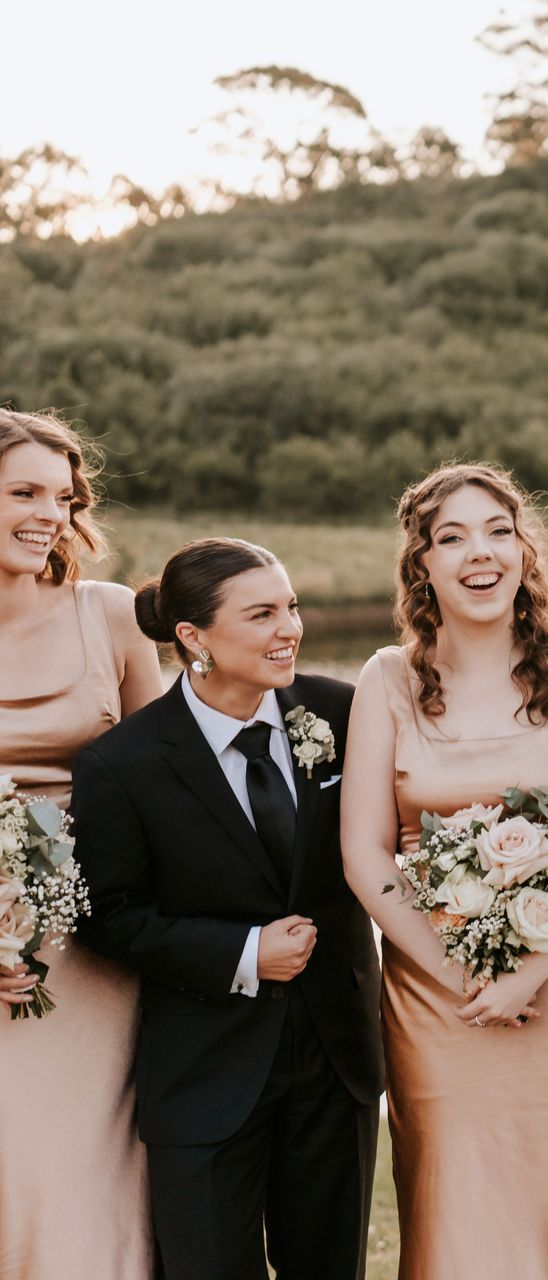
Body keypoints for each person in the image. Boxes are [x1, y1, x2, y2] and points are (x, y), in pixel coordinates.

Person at [340, 463, 548, 1279]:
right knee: (457, 1191)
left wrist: (528, 972)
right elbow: (364, 853)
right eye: (450, 538)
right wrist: (452, 966)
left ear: (524, 551)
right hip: (432, 991)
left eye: (497, 531)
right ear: (421, 564)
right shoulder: (386, 679)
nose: (478, 553)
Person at [75, 537, 383, 1280]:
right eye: (262, 614)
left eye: (293, 607)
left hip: (335, 1060)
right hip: (205, 1073)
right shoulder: (123, 764)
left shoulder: (344, 712)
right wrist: (242, 953)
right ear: (193, 636)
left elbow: (407, 824)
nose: (291, 629)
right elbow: (108, 917)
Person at [0, 410, 166, 1280]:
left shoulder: (110, 618)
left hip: (94, 947)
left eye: (62, 497)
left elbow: (173, 782)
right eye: (23, 492)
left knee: (84, 1172)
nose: (49, 515)